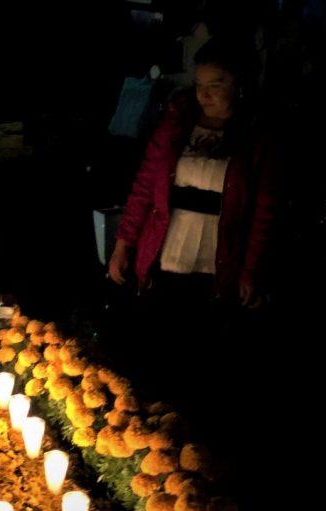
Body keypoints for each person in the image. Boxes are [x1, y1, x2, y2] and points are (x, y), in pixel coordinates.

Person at [108, 36, 279, 308]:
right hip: (165, 255)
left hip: (217, 263)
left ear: (239, 84)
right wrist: (123, 245)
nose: (204, 95)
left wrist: (250, 270)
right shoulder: (177, 123)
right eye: (199, 85)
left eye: (216, 85)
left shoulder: (255, 139)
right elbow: (145, 186)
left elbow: (263, 212)